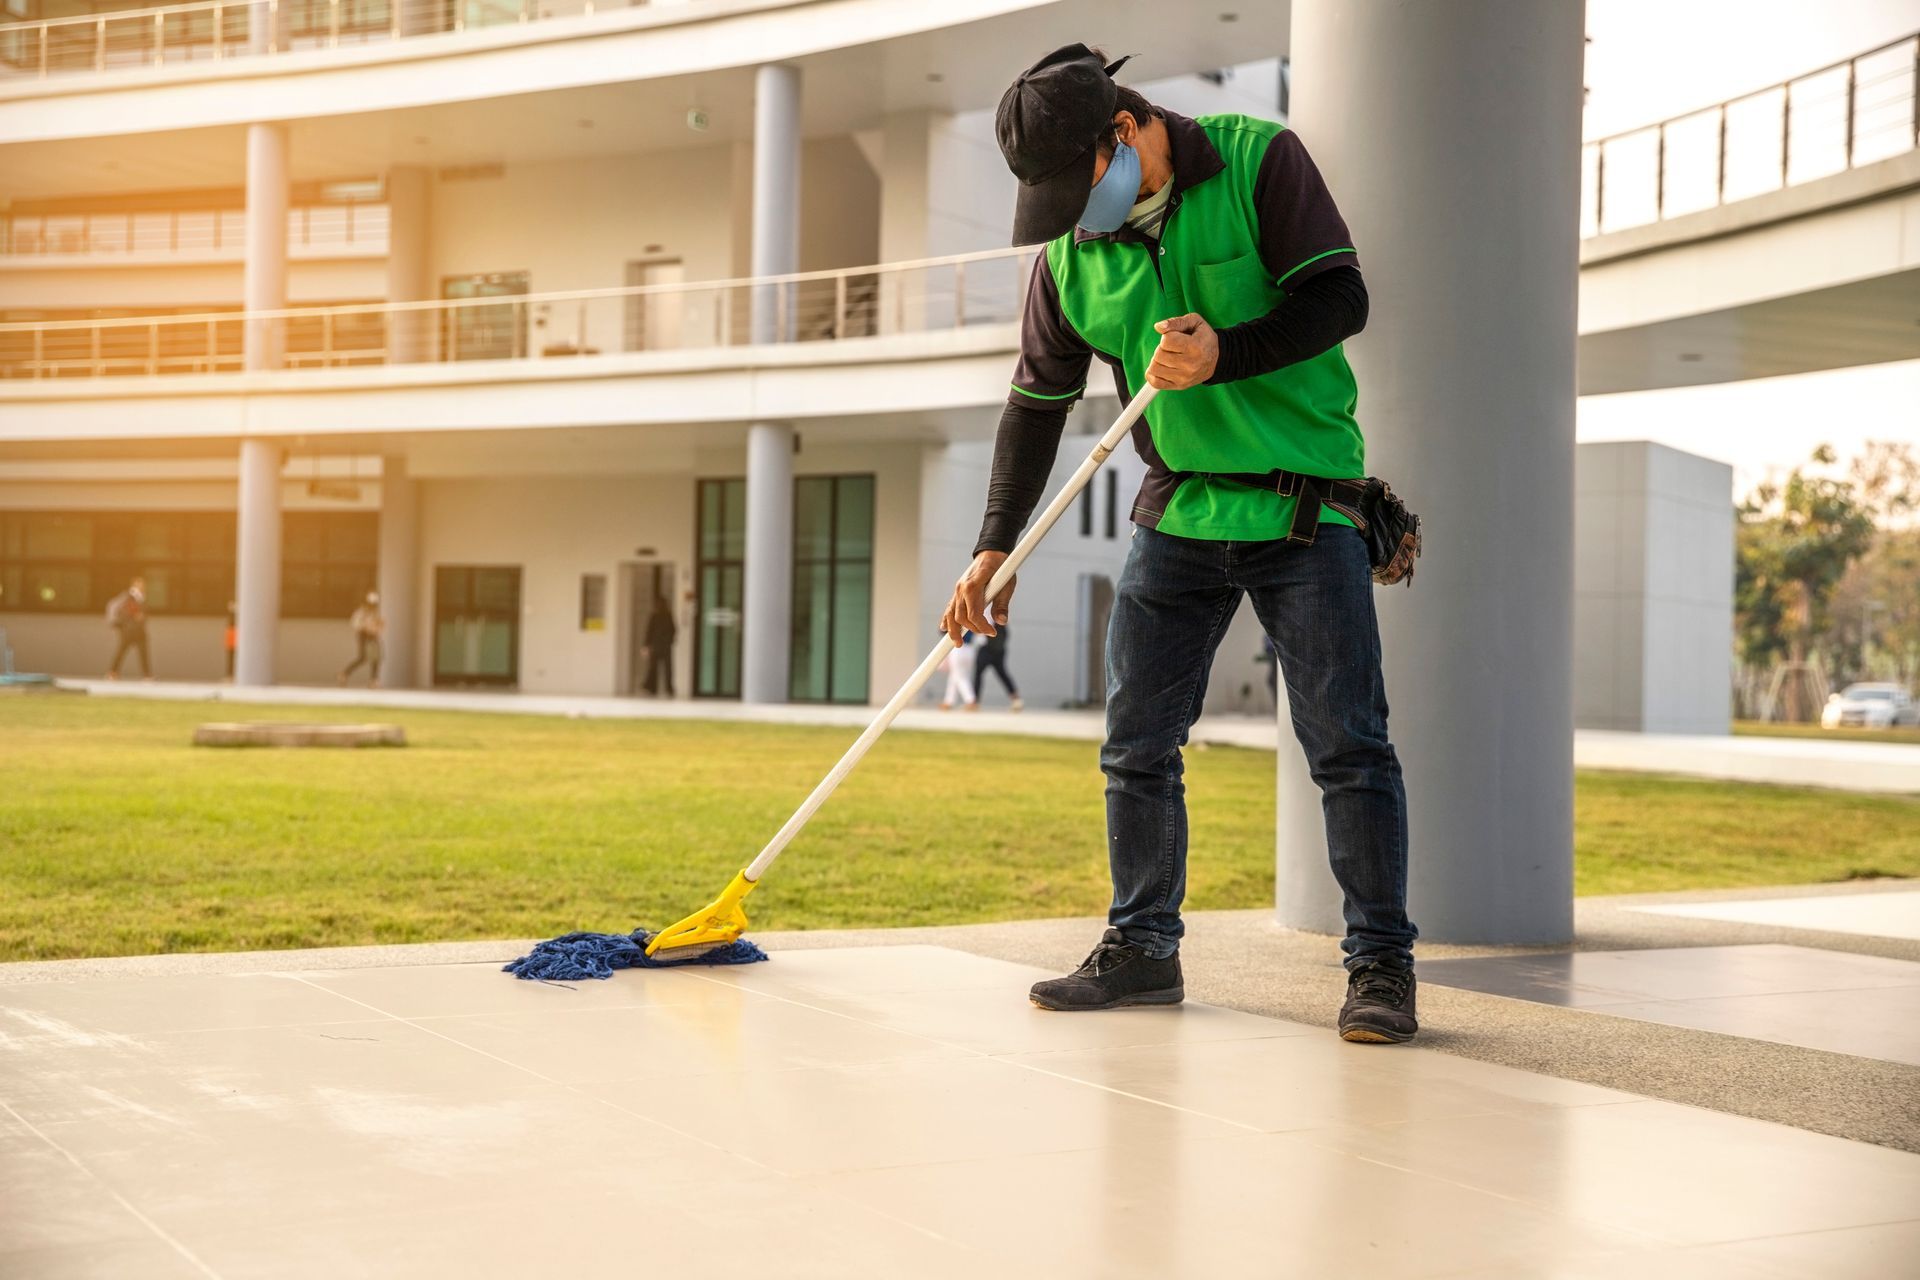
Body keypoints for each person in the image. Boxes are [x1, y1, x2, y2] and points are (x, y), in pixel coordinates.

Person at [941, 45, 1418, 1043]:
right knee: (1137, 746)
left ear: (1126, 132)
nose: (1080, 219)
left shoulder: (1258, 161)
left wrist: (1225, 353)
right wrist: (995, 546)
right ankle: (1143, 945)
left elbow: (1342, 298)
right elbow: (1035, 407)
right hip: (1178, 509)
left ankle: (1379, 966)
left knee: (1348, 746)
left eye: (1085, 191)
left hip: (1303, 504)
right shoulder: (1072, 257)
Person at [104, 576, 151, 680]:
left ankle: (147, 675)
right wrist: (134, 617)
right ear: (134, 585)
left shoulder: (142, 597)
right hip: (128, 630)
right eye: (140, 584)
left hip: (139, 630)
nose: (142, 586)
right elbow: (123, 612)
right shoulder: (127, 597)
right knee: (121, 652)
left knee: (143, 653)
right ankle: (112, 672)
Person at [975, 623, 1024, 711]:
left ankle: (1016, 699)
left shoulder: (998, 621)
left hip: (993, 650)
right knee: (980, 674)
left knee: (999, 674)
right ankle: (975, 701)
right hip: (994, 649)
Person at [339, 591, 384, 686]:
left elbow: (379, 623)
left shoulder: (375, 612)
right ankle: (344, 674)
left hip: (373, 636)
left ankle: (374, 680)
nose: (373, 605)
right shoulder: (361, 612)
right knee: (363, 658)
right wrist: (366, 626)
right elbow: (355, 624)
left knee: (376, 658)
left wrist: (377, 628)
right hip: (363, 636)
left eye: (374, 604)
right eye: (371, 603)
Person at [642, 592, 677, 696]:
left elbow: (649, 632)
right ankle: (664, 688)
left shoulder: (659, 616)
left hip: (658, 646)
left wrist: (646, 645)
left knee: (656, 668)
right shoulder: (662, 616)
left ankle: (654, 688)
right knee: (664, 668)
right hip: (662, 646)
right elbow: (673, 630)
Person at [939, 631, 979, 711]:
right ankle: (948, 702)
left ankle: (970, 700)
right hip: (970, 649)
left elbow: (942, 631)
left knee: (960, 677)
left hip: (958, 649)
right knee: (954, 676)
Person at [223, 601, 238, 682]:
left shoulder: (236, 620)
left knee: (234, 659)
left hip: (234, 641)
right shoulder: (231, 621)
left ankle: (233, 675)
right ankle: (230, 676)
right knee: (231, 660)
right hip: (232, 641)